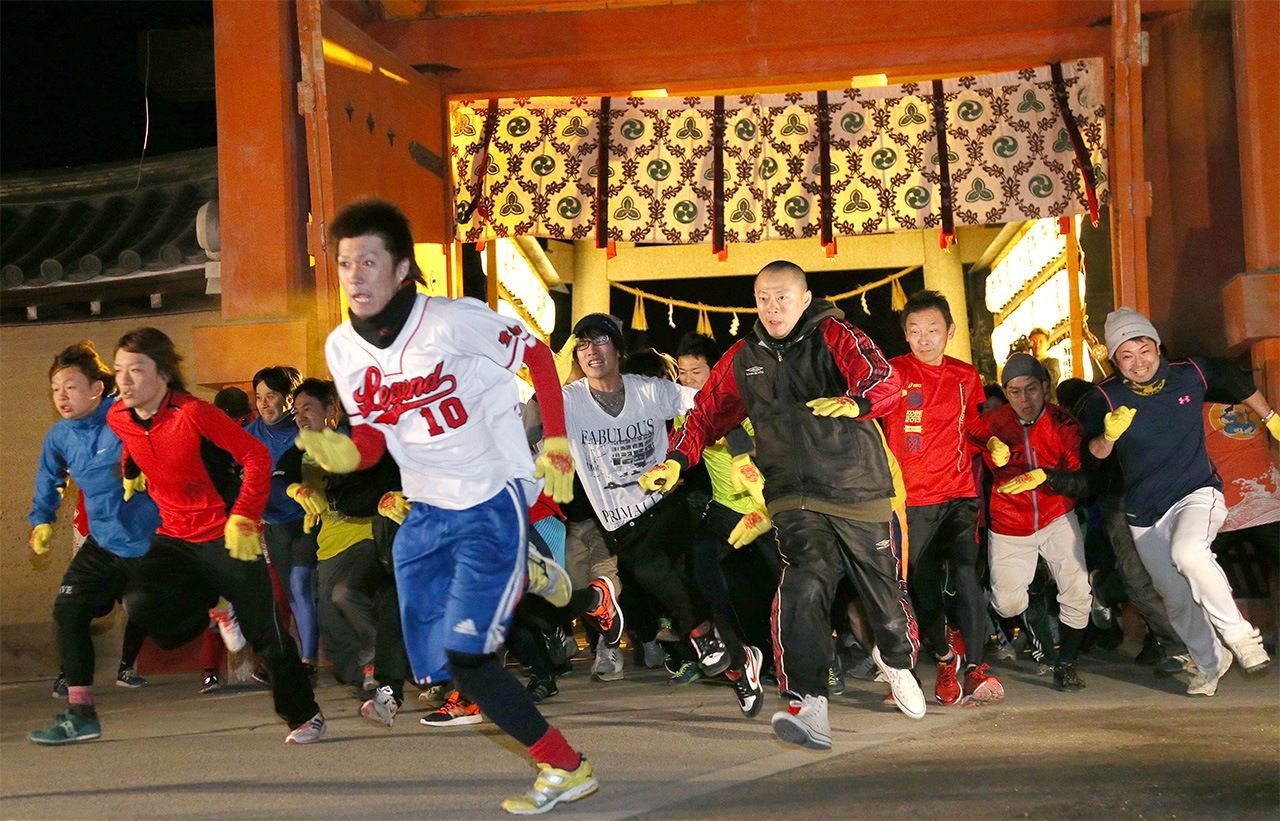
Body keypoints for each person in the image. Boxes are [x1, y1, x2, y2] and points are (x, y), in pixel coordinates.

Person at [297, 198, 594, 815]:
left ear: (403, 268)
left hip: (492, 495)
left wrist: (558, 439)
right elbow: (376, 435)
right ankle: (530, 574)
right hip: (424, 514)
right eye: (345, 262)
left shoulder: (454, 321)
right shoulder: (342, 351)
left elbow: (538, 355)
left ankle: (565, 765)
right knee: (432, 670)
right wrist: (346, 455)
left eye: (369, 261)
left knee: (471, 659)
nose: (354, 275)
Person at [644, 260, 925, 751]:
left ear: (804, 296)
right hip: (792, 493)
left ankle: (897, 659)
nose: (772, 308)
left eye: (782, 297)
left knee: (883, 594)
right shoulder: (743, 357)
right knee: (804, 579)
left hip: (857, 486)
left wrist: (857, 403)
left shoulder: (835, 333)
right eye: (763, 298)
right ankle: (807, 702)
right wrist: (675, 459)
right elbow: (705, 413)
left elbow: (883, 379)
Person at [108, 327, 323, 743]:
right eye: (120, 370)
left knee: (268, 634)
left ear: (163, 375)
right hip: (175, 534)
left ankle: (305, 715)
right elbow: (130, 442)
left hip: (225, 531)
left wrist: (243, 516)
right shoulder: (119, 415)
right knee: (141, 602)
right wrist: (131, 474)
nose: (125, 380)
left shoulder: (194, 414)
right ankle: (217, 603)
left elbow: (255, 456)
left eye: (136, 370)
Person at [561, 313, 761, 706]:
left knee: (671, 576)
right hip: (619, 524)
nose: (591, 351)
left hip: (664, 504)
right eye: (582, 344)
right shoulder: (567, 401)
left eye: (600, 341)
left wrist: (742, 456)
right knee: (678, 594)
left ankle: (717, 648)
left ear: (618, 350)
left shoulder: (650, 391)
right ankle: (738, 665)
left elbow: (709, 407)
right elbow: (523, 426)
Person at [1079, 308, 1276, 696]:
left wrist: (1270, 416)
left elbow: (1232, 377)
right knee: (1175, 596)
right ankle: (1210, 662)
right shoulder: (1106, 396)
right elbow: (1092, 456)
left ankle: (1241, 637)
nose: (1139, 362)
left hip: (1197, 492)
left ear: (1156, 346)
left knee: (1190, 553)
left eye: (1144, 349)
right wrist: (1109, 436)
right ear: (1116, 361)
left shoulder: (1191, 372)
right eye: (1126, 355)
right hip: (1143, 513)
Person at [26, 342, 162, 745]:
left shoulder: (125, 415)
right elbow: (48, 481)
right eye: (55, 390)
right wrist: (41, 522)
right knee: (68, 610)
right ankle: (82, 714)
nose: (62, 397)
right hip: (103, 543)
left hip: (150, 541)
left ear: (97, 389)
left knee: (169, 617)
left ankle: (219, 601)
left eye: (70, 386)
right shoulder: (59, 437)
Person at [882, 290, 1007, 706]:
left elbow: (972, 424)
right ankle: (943, 655)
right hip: (912, 501)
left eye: (933, 330)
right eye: (915, 331)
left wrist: (989, 441)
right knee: (924, 586)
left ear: (950, 331)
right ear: (905, 335)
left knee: (969, 575)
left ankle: (975, 667)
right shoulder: (893, 373)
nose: (925, 338)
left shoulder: (965, 376)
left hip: (959, 494)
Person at [980, 353, 1094, 692]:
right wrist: (988, 446)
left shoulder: (1065, 423)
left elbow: (1083, 480)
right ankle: (1034, 589)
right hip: (1009, 522)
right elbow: (964, 442)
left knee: (1078, 593)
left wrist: (1047, 477)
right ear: (1005, 391)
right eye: (1014, 391)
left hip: (1056, 514)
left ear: (1045, 387)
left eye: (1031, 389)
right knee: (1008, 603)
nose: (1024, 400)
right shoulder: (993, 422)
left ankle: (1067, 663)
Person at [247, 366, 320, 679]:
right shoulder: (249, 434)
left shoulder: (304, 432)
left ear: (288, 399)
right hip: (273, 523)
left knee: (300, 585)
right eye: (259, 397)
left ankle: (309, 662)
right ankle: (287, 658)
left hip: (305, 520)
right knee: (286, 594)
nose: (264, 404)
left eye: (271, 396)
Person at [1028, 327, 1061, 402]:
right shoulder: (1027, 362)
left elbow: (1051, 378)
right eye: (1034, 342)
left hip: (1048, 403)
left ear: (1047, 344)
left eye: (1041, 341)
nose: (1037, 345)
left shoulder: (1052, 362)